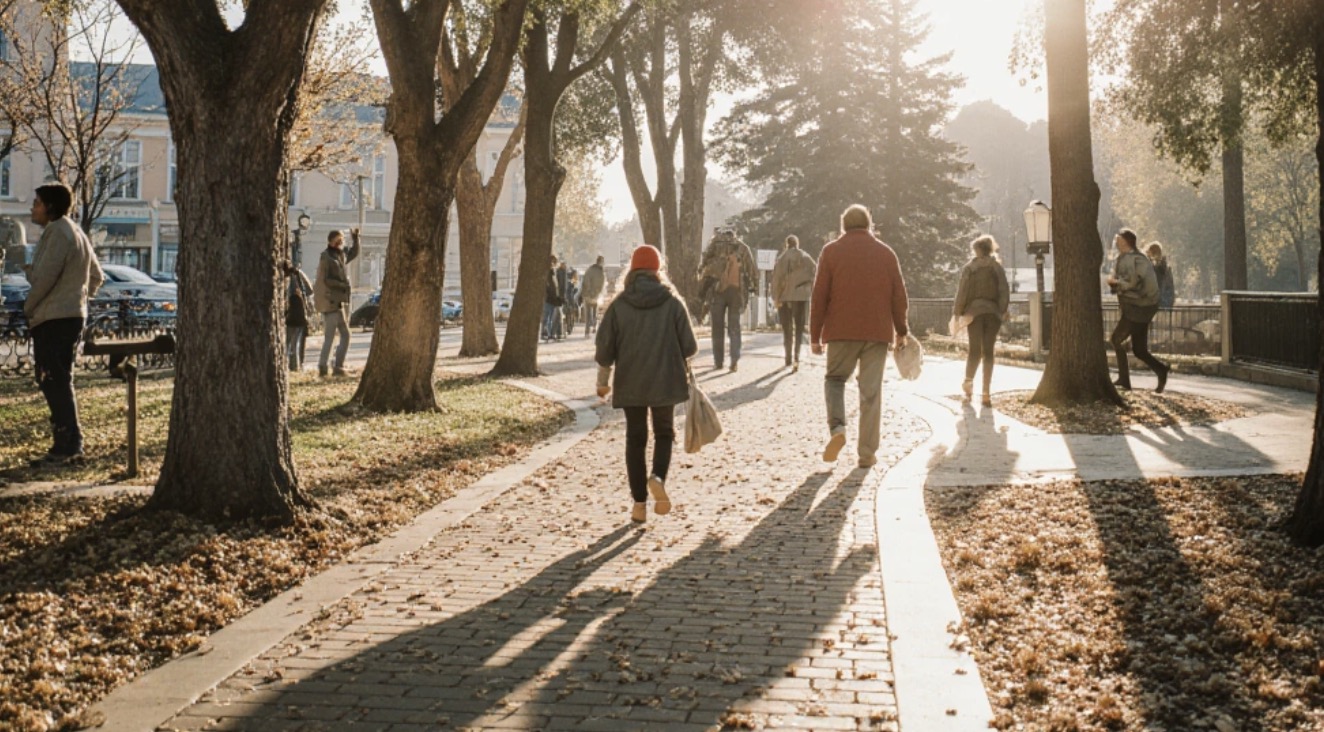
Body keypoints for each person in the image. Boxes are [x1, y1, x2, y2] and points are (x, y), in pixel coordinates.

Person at [595, 245, 698, 524]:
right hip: (665, 380)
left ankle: (639, 505)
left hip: (631, 381)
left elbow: (604, 348)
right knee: (664, 433)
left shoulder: (619, 305)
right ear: (657, 270)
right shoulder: (672, 302)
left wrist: (603, 382)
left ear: (631, 270)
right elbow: (690, 346)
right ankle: (658, 477)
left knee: (635, 439)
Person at [810, 204, 909, 470]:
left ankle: (838, 429)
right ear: (869, 224)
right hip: (877, 332)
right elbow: (899, 296)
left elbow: (819, 296)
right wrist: (901, 331)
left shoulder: (831, 252)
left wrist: (815, 336)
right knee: (871, 393)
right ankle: (866, 454)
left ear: (843, 226)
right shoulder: (886, 253)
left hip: (840, 331)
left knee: (835, 380)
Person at [23, 182, 104, 467]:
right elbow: (97, 276)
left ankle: (67, 444)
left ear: (50, 207)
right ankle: (69, 442)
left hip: (53, 319)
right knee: (59, 379)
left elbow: (44, 278)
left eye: (37, 203)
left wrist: (29, 307)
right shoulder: (76, 231)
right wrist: (77, 297)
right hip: (70, 315)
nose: (32, 208)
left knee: (52, 380)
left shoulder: (57, 232)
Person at [1107, 228, 1170, 393]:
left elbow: (1131, 282)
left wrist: (1115, 283)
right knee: (1139, 350)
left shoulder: (1133, 259)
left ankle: (1124, 379)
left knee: (1116, 339)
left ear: (1126, 242)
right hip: (1143, 308)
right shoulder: (1133, 257)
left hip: (1137, 308)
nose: (1116, 243)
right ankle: (1161, 370)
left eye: (1119, 241)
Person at [952, 235, 1010, 407]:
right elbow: (1004, 290)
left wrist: (957, 313)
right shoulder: (997, 267)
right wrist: (1002, 310)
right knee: (989, 351)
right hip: (992, 313)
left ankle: (968, 383)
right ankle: (986, 393)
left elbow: (962, 292)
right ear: (990, 249)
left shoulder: (969, 268)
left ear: (976, 250)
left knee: (974, 350)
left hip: (974, 313)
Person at [698, 228, 755, 371]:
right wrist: (752, 288)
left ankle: (718, 361)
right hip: (736, 291)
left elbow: (702, 267)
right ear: (734, 235)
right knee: (734, 326)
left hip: (716, 291)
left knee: (717, 328)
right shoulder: (742, 248)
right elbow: (752, 271)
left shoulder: (714, 246)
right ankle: (734, 360)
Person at [314, 228, 360, 377]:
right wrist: (343, 285)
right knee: (330, 336)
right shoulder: (326, 257)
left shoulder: (340, 255)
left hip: (338, 302)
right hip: (330, 302)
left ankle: (338, 365)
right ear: (331, 241)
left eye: (342, 240)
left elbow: (353, 253)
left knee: (345, 334)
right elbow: (326, 280)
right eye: (338, 240)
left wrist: (356, 239)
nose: (340, 242)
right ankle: (323, 366)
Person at [771, 234, 817, 371]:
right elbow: (815, 272)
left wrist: (776, 297)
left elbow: (776, 280)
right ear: (797, 244)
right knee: (799, 329)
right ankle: (797, 357)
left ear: (787, 244)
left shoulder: (781, 258)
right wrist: (808, 289)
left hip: (785, 297)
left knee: (787, 329)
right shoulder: (806, 257)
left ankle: (788, 358)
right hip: (801, 297)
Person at [285, 262, 314, 372]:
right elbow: (310, 290)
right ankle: (297, 365)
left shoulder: (283, 280)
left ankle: (289, 365)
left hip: (288, 315)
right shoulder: (298, 275)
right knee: (296, 343)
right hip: (300, 314)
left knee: (287, 342)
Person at [582, 255, 606, 337]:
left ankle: (587, 331)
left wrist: (588, 291)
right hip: (595, 295)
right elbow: (601, 284)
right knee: (594, 312)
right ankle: (594, 327)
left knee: (588, 314)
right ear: (601, 262)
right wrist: (596, 293)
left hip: (588, 295)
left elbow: (586, 281)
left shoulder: (590, 269)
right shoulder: (601, 272)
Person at [1147, 241, 1176, 310]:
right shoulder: (1165, 268)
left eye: (1149, 255)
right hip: (1165, 303)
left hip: (1159, 304)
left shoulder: (1157, 269)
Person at [543, 254, 564, 342]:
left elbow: (555, 286)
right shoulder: (549, 273)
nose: (554, 264)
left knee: (551, 317)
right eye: (554, 262)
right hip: (549, 299)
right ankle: (548, 334)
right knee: (549, 317)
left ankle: (550, 334)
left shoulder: (552, 273)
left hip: (552, 299)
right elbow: (551, 287)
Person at [564, 270, 581, 335]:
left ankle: (570, 327)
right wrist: (574, 289)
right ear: (573, 276)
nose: (577, 276)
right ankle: (569, 328)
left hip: (573, 301)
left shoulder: (575, 282)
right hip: (570, 301)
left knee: (572, 315)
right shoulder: (570, 282)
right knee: (569, 315)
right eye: (576, 275)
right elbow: (569, 292)